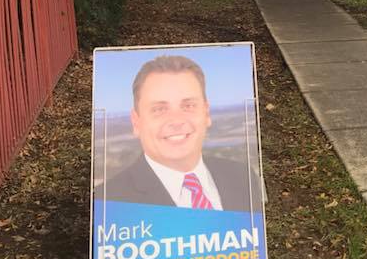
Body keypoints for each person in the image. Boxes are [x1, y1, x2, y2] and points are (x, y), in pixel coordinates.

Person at [96, 55, 252, 211]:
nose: (176, 120)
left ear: (206, 113)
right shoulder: (108, 202)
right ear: (136, 122)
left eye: (188, 106)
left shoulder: (244, 177)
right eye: (159, 109)